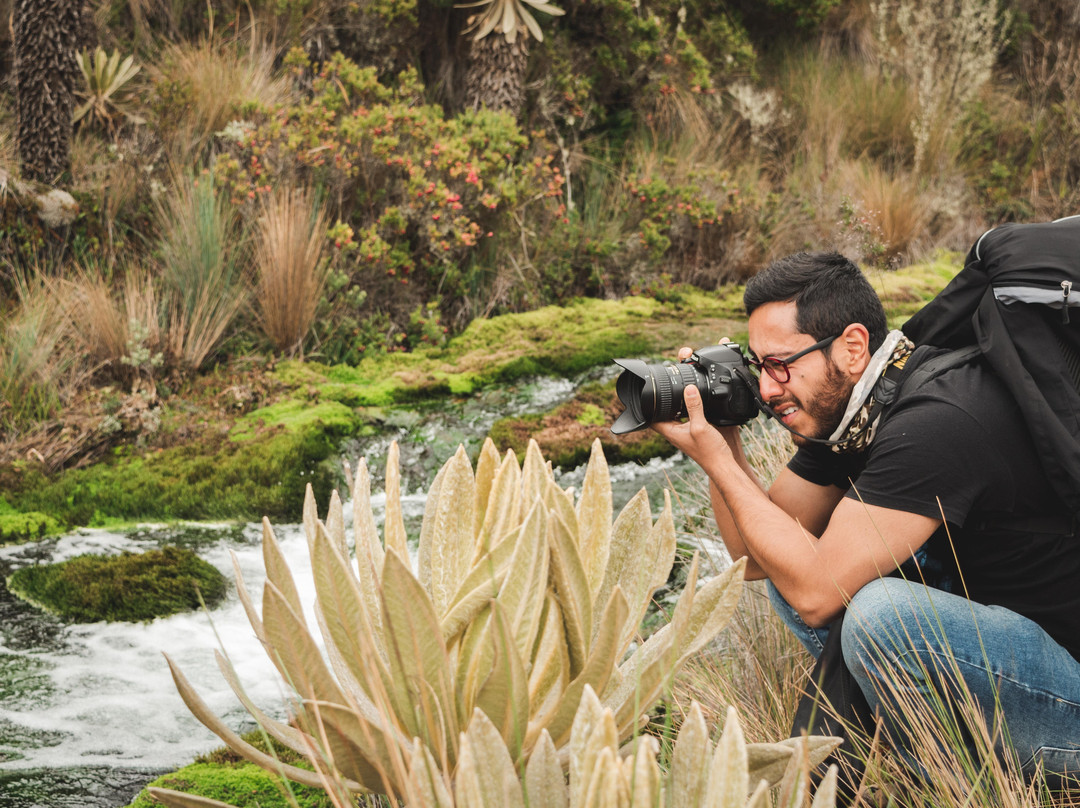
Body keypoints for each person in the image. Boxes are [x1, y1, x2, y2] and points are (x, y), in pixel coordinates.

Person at [651, 252, 1080, 784]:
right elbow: (754, 556)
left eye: (782, 363)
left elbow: (816, 593)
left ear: (852, 347)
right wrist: (725, 436)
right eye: (758, 365)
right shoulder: (849, 411)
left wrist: (715, 461)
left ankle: (946, 779)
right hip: (1003, 650)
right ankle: (921, 741)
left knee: (879, 612)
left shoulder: (937, 422)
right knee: (791, 556)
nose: (766, 389)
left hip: (1067, 695)